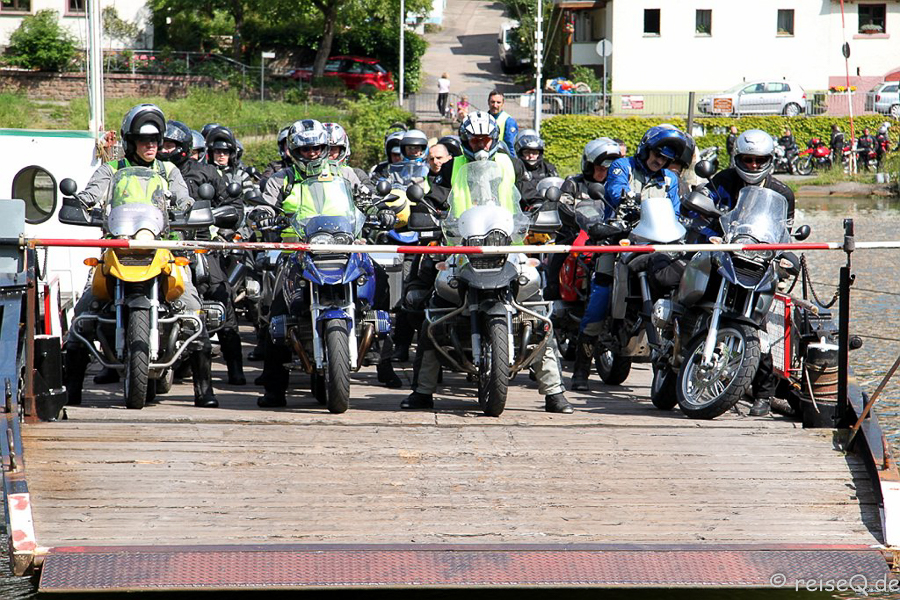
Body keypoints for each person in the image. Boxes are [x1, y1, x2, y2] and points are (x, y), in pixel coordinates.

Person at [401, 111, 574, 414]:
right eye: (475, 140)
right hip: (462, 246)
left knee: (536, 312)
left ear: (494, 140)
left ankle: (554, 391)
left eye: (485, 139)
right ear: (465, 140)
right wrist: (427, 209)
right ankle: (422, 390)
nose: (480, 145)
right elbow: (438, 196)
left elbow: (528, 195)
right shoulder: (452, 166)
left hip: (508, 246)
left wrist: (539, 207)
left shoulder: (511, 164)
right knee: (434, 310)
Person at [64, 103, 219, 408]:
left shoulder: (169, 171)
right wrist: (81, 203)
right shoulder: (111, 169)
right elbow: (92, 194)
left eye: (155, 140)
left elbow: (184, 199)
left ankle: (204, 391)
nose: (150, 145)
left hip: (162, 248)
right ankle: (72, 390)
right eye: (143, 140)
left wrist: (187, 208)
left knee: (193, 310)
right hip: (118, 248)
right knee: (82, 314)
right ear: (130, 141)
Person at [256, 119, 401, 407]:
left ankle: (383, 357)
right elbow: (264, 204)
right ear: (293, 150)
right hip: (297, 250)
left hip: (346, 246)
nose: (311, 153)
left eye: (317, 148)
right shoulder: (281, 179)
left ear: (325, 148)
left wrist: (381, 211)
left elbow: (368, 199)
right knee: (278, 311)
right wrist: (261, 213)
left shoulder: (346, 174)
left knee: (381, 282)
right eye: (305, 149)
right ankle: (274, 388)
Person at [568, 127, 686, 392]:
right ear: (646, 149)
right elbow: (615, 192)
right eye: (657, 154)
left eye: (666, 158)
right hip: (621, 238)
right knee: (600, 297)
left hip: (657, 244)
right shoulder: (623, 166)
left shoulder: (670, 179)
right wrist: (627, 199)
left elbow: (675, 212)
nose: (660, 161)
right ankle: (581, 371)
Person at [702, 129, 795, 417]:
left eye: (759, 160)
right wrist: (706, 234)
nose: (753, 165)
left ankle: (764, 395)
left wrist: (785, 256)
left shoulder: (782, 192)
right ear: (737, 158)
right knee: (697, 299)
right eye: (747, 159)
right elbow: (701, 213)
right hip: (722, 256)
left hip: (758, 264)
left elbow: (785, 233)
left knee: (760, 326)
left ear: (769, 160)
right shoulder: (722, 181)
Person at [160, 119, 247, 387]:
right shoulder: (144, 172)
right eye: (161, 144)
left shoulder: (206, 172)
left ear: (184, 147)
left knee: (222, 295)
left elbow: (233, 204)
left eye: (170, 145)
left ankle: (234, 367)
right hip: (155, 244)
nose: (164, 150)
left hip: (197, 244)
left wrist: (226, 224)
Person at [205, 125, 260, 199]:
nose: (221, 155)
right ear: (211, 153)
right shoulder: (205, 174)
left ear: (231, 154)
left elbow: (249, 200)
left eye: (225, 152)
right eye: (218, 151)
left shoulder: (241, 175)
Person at [487, 90, 518, 155]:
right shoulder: (483, 118)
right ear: (488, 102)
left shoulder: (508, 121)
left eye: (498, 102)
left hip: (501, 157)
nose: (495, 105)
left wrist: (512, 160)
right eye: (492, 102)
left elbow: (511, 146)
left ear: (502, 103)